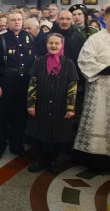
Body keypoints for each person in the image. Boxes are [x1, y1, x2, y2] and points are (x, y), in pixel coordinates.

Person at [25, 33, 78, 174]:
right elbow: (32, 84)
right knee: (40, 134)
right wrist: (31, 104)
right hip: (41, 104)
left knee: (56, 135)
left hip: (59, 106)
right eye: (51, 43)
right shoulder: (39, 61)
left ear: (62, 45)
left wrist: (70, 107)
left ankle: (53, 161)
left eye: (57, 43)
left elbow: (72, 86)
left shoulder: (69, 63)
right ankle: (40, 161)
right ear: (46, 44)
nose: (53, 46)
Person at [0, 11, 36, 159]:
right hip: (6, 83)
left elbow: (33, 61)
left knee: (20, 117)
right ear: (7, 22)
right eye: (13, 20)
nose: (16, 22)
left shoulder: (29, 38)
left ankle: (17, 146)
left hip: (23, 82)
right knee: (2, 116)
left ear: (23, 21)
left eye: (19, 20)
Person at [74, 5, 110, 168]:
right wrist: (106, 68)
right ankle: (97, 161)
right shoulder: (95, 38)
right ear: (105, 19)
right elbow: (84, 61)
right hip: (100, 89)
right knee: (99, 121)